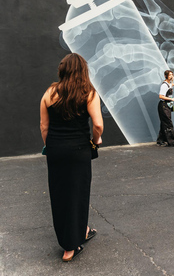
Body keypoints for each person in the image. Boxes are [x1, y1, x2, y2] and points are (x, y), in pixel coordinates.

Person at [40, 53, 104, 262]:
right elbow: (98, 125)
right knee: (78, 192)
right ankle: (70, 247)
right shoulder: (89, 93)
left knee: (59, 194)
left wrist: (50, 145)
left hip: (56, 150)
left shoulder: (50, 92)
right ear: (83, 71)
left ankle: (81, 231)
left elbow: (44, 127)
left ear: (62, 70)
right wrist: (96, 140)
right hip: (78, 150)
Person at [157, 70, 174, 147]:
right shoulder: (164, 85)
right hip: (164, 106)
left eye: (172, 75)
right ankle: (172, 142)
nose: (171, 76)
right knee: (168, 124)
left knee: (164, 123)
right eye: (170, 75)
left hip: (166, 105)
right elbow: (160, 96)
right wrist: (172, 99)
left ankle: (160, 141)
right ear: (165, 76)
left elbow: (170, 85)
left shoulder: (168, 84)